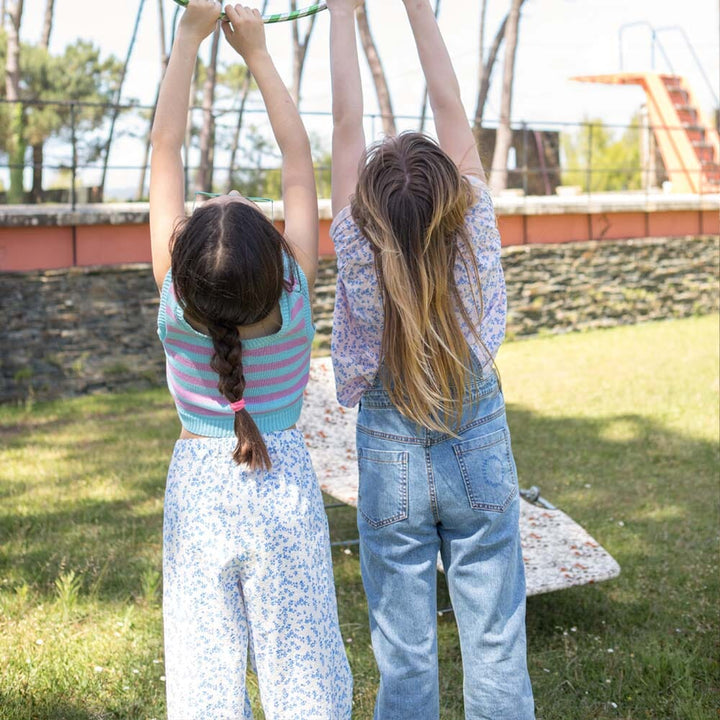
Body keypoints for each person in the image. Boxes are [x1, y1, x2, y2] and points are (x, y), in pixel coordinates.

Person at [327, 0, 535, 718]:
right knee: (497, 641)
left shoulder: (355, 241)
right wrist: (417, 7)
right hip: (476, 440)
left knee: (404, 653)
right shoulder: (473, 220)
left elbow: (345, 124)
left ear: (369, 211)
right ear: (450, 193)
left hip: (389, 456)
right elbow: (448, 98)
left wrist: (339, 15)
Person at [149, 2, 352, 717]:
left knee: (204, 676)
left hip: (200, 493)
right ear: (274, 259)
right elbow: (299, 163)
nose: (230, 193)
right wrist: (259, 55)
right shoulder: (294, 294)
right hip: (283, 488)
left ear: (182, 268)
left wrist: (187, 39)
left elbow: (164, 151)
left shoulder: (176, 306)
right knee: (303, 669)